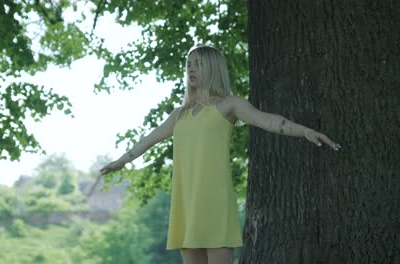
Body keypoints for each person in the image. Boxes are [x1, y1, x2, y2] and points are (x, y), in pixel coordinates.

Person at [100, 44, 341, 264]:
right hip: (186, 201)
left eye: (199, 64)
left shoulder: (229, 105)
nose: (191, 70)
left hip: (214, 199)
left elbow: (268, 120)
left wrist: (305, 131)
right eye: (189, 65)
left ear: (214, 68)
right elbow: (149, 139)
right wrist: (122, 161)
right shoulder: (179, 115)